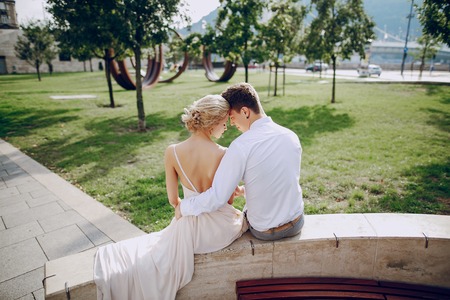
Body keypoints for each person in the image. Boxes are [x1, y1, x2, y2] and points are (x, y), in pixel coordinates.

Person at [94, 95, 247, 300]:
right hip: (218, 228)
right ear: (211, 124)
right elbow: (226, 201)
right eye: (223, 123)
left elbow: (173, 201)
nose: (226, 127)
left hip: (187, 227)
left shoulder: (172, 152)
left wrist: (184, 207)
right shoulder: (223, 153)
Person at [176, 82, 304, 241]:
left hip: (263, 231)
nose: (231, 124)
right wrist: (244, 190)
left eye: (232, 117)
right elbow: (281, 177)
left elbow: (217, 197)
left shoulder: (241, 146)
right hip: (296, 223)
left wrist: (184, 207)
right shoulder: (290, 136)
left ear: (245, 112)